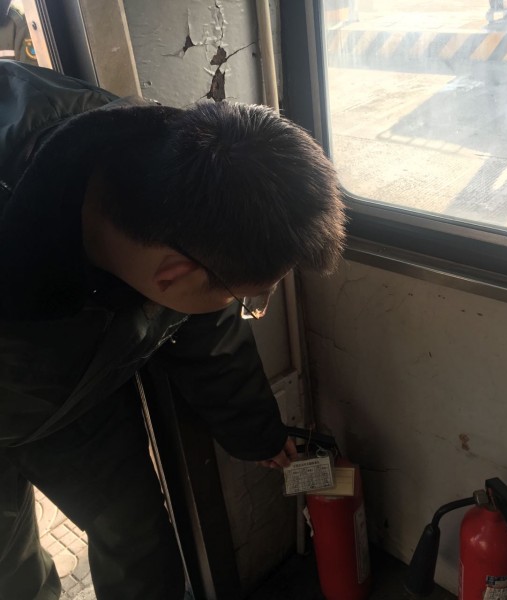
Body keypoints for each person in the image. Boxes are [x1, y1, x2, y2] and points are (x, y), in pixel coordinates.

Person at [0, 59, 346, 600]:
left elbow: (205, 324)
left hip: (76, 395)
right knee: (11, 571)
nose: (246, 306)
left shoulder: (169, 175)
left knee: (139, 540)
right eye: (248, 299)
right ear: (171, 276)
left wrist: (256, 433)